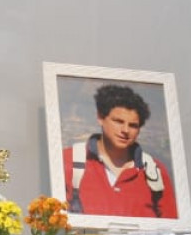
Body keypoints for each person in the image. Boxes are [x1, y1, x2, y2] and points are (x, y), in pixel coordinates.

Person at [65, 83, 178, 218]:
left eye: (133, 125)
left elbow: (171, 228)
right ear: (101, 118)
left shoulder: (155, 172)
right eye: (118, 121)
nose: (125, 130)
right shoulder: (68, 160)